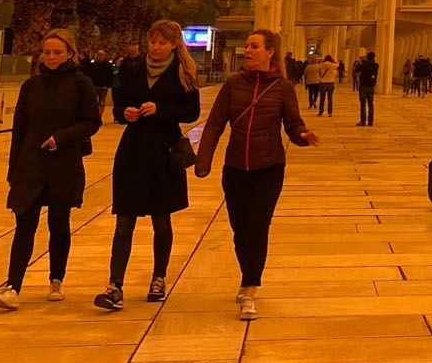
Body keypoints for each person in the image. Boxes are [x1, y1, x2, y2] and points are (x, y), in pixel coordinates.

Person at [195, 27, 318, 320]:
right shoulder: (233, 84)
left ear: (269, 52)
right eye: (247, 46)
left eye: (254, 46)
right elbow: (214, 124)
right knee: (240, 229)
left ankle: (250, 288)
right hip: (236, 167)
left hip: (269, 167)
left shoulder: (282, 87)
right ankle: (246, 276)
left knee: (258, 226)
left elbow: (292, 123)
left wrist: (302, 135)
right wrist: (204, 159)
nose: (247, 51)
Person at [94, 19, 203, 312]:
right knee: (124, 221)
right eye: (152, 41)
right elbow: (119, 104)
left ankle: (159, 277)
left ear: (173, 45)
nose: (155, 47)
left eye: (162, 43)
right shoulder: (131, 69)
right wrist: (124, 113)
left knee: (161, 220)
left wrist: (162, 110)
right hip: (133, 150)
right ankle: (115, 284)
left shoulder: (184, 73)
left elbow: (192, 110)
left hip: (164, 152)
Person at [0, 28, 102, 309]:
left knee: (59, 222)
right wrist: (13, 168)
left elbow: (91, 122)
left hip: (63, 165)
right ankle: (13, 285)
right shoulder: (31, 86)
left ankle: (56, 278)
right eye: (47, 52)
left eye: (57, 52)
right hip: (31, 164)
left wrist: (62, 138)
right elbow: (20, 130)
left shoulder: (81, 84)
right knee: (24, 225)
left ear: (69, 54)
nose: (51, 57)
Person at [355, 50, 379, 126]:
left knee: (363, 104)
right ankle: (370, 121)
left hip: (363, 87)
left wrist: (361, 61)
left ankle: (363, 121)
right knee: (371, 104)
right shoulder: (376, 65)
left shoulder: (364, 64)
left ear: (367, 57)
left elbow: (356, 69)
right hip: (371, 87)